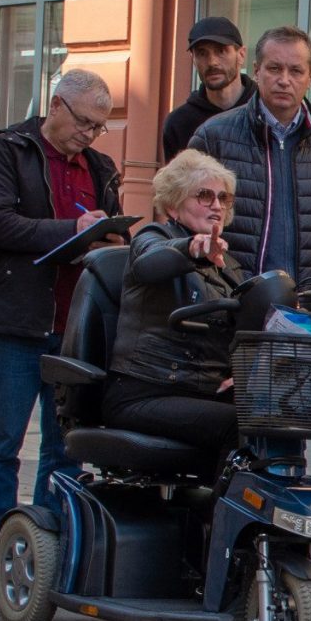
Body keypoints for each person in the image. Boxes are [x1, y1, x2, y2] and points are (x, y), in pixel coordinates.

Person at [188, 26, 311, 584]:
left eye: (296, 70)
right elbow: (187, 218)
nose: (284, 79)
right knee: (249, 431)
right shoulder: (215, 135)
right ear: (255, 70)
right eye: (274, 68)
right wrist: (221, 303)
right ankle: (232, 545)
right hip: (238, 322)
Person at [0, 68, 123, 582]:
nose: (90, 134)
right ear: (55, 106)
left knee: (63, 448)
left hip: (75, 323)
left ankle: (48, 547)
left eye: (99, 126)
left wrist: (112, 239)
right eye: (83, 122)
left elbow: (110, 227)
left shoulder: (101, 167)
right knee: (3, 441)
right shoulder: (9, 150)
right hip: (17, 320)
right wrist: (73, 230)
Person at [103, 151, 245, 466]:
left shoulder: (228, 264)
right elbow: (149, 262)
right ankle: (224, 501)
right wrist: (190, 248)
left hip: (200, 391)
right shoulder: (154, 237)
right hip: (144, 392)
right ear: (173, 204)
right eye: (205, 195)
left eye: (223, 197)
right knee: (239, 427)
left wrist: (241, 373)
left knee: (276, 419)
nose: (217, 205)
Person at [162, 16, 254, 156]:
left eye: (221, 51)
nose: (212, 62)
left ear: (241, 55)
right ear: (193, 60)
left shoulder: (265, 111)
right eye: (202, 53)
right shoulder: (179, 123)